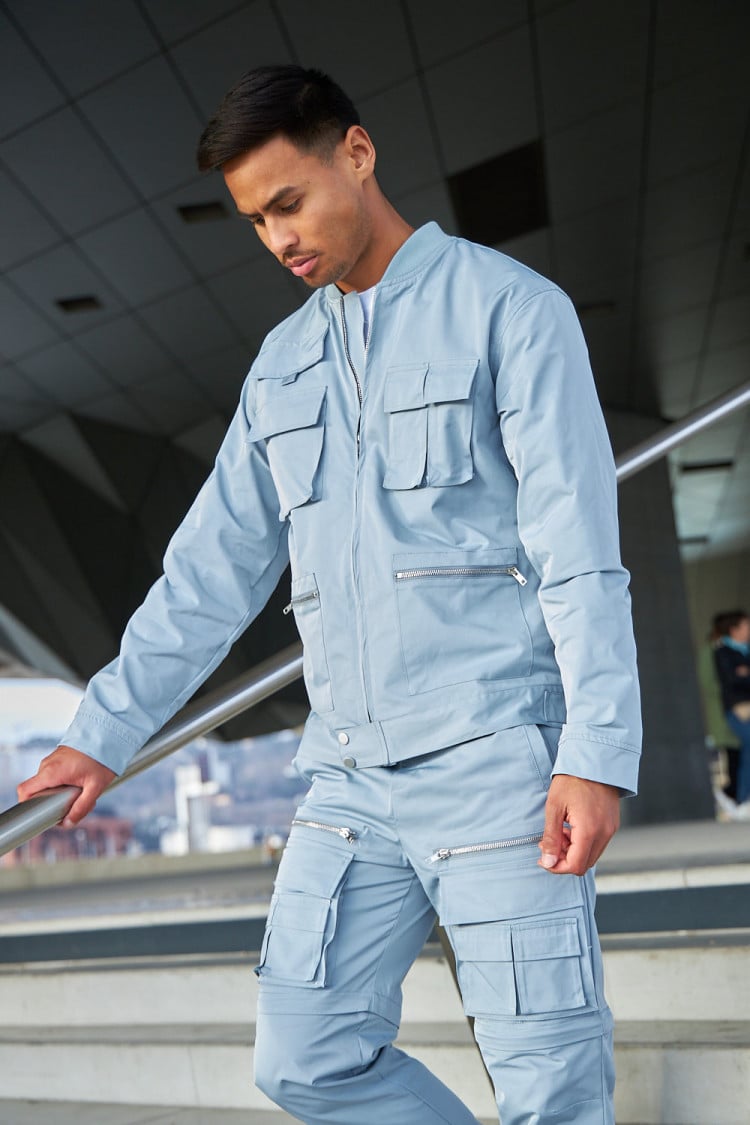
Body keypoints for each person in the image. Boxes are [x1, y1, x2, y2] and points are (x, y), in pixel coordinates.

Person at [18, 66, 641, 1124]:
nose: (279, 241)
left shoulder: (510, 310)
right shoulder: (281, 368)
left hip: (495, 758)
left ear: (356, 153)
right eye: (257, 221)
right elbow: (207, 575)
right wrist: (101, 730)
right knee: (305, 1059)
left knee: (550, 1087)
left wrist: (598, 748)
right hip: (350, 780)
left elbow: (580, 547)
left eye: (289, 202)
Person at [698, 614, 742, 817]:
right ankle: (730, 795)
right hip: (725, 712)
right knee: (733, 756)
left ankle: (734, 797)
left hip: (729, 710)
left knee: (736, 755)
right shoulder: (713, 651)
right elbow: (711, 684)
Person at [713, 610, 750, 812]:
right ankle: (743, 797)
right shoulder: (722, 652)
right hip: (738, 710)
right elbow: (731, 681)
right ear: (734, 629)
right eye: (745, 626)